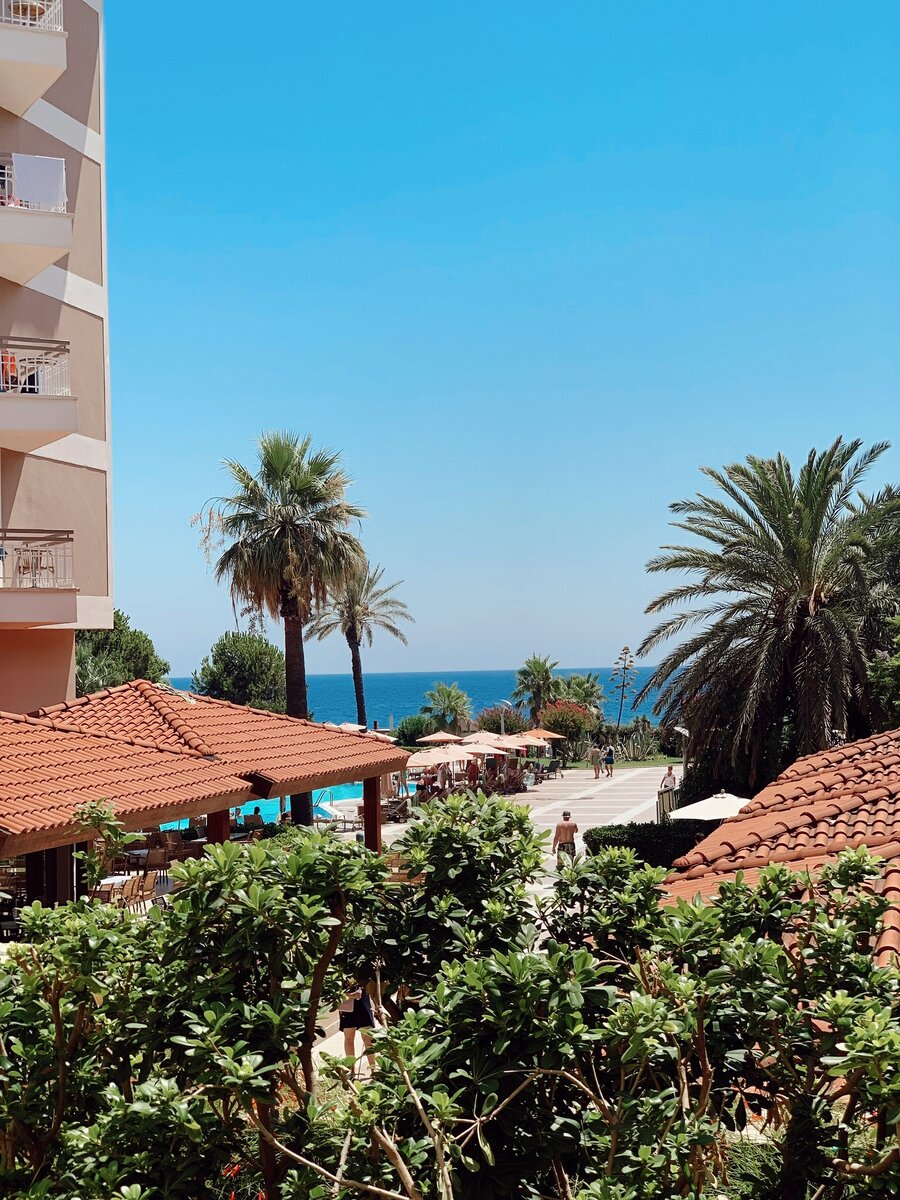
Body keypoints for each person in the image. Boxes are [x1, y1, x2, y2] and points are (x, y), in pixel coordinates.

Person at [339, 972, 378, 1077]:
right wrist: (350, 995)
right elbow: (333, 994)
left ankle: (374, 1070)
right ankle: (351, 1071)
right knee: (349, 1039)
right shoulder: (339, 973)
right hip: (347, 1007)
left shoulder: (364, 969)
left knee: (368, 1039)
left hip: (363, 1004)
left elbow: (373, 987)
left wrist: (377, 1006)